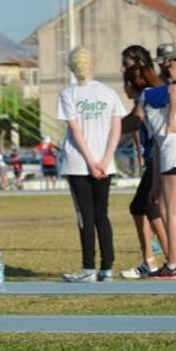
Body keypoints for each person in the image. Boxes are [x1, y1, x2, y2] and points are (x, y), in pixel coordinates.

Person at [59, 47, 126, 283]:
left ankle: (88, 268)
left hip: (78, 163)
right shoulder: (108, 93)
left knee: (84, 216)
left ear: (72, 67)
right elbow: (116, 128)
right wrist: (105, 160)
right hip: (104, 164)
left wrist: (90, 161)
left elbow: (75, 130)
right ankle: (107, 268)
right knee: (102, 215)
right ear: (92, 64)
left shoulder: (69, 94)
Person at [120, 61, 168, 278]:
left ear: (132, 84)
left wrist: (106, 126)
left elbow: (134, 122)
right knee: (141, 206)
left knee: (150, 206)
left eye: (125, 83)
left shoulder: (146, 97)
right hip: (156, 158)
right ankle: (150, 260)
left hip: (160, 157)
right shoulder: (151, 95)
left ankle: (171, 260)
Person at [143, 49, 176, 278]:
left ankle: (174, 263)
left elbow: (170, 129)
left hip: (173, 153)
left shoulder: (168, 92)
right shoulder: (155, 95)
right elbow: (157, 141)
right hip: (168, 154)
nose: (168, 67)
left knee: (172, 212)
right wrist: (154, 182)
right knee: (167, 210)